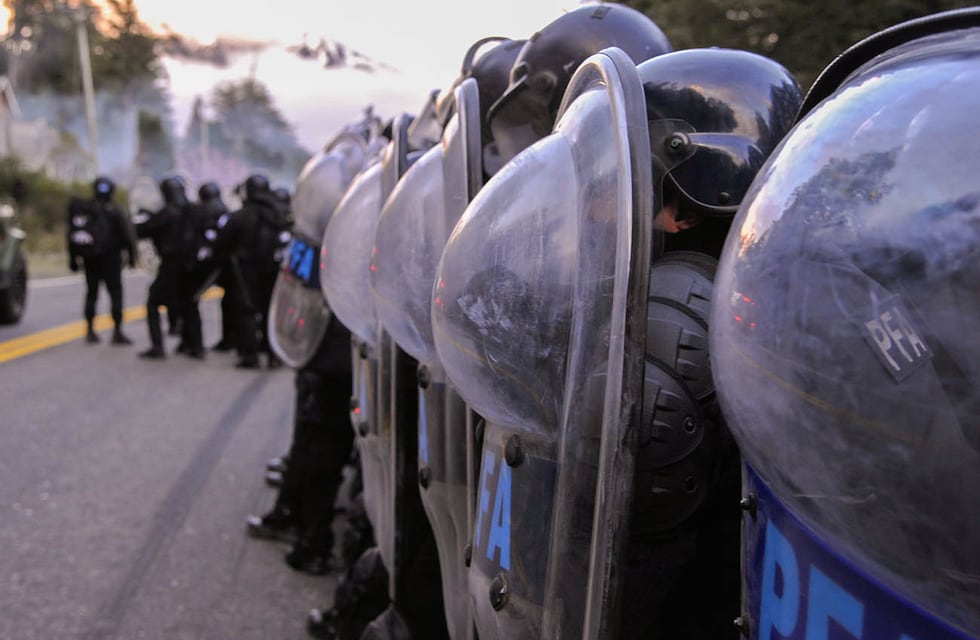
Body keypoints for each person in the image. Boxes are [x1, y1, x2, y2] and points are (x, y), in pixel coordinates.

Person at [214, 173, 288, 369]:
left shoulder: (242, 215)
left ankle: (250, 355)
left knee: (246, 309)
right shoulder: (280, 215)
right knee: (270, 311)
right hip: (274, 271)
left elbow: (221, 242)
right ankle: (273, 354)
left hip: (245, 271)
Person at [67, 176, 136, 345]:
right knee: (115, 294)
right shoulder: (115, 210)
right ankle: (117, 331)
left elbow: (72, 235)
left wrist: (73, 259)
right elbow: (128, 235)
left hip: (90, 259)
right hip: (111, 259)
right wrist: (133, 257)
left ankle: (90, 330)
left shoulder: (85, 209)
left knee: (92, 293)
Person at [134, 176, 189, 359]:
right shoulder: (191, 211)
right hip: (190, 266)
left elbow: (143, 230)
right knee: (188, 302)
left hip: (171, 264)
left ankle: (157, 347)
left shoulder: (167, 213)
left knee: (153, 302)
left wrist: (140, 219)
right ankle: (192, 344)